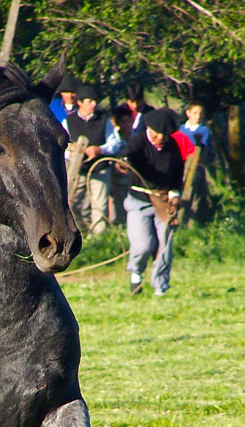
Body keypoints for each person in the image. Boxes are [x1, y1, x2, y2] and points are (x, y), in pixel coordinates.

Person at [121, 108, 184, 297]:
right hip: (138, 200)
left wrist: (175, 194)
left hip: (163, 200)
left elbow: (177, 175)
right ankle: (136, 274)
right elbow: (127, 154)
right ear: (149, 129)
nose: (160, 139)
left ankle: (161, 286)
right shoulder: (138, 141)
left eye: (164, 136)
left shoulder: (172, 147)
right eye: (157, 135)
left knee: (165, 243)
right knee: (143, 245)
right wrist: (123, 162)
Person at [61, 84, 123, 235]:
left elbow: (115, 143)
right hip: (77, 171)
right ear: (80, 102)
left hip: (99, 169)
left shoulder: (104, 120)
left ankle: (98, 241)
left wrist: (100, 149)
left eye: (95, 101)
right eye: (89, 101)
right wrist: (74, 155)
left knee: (100, 207)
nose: (94, 104)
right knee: (71, 204)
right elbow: (62, 147)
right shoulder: (68, 121)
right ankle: (80, 234)